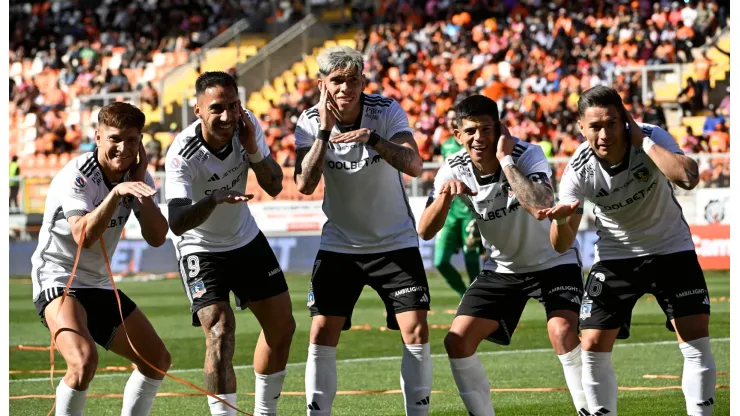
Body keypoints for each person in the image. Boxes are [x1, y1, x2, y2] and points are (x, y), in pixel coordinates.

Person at [541, 86, 714, 415]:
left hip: (671, 248)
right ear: (581, 127)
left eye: (611, 123)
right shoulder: (578, 169)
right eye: (594, 126)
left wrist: (644, 142)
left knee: (694, 340)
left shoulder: (651, 136)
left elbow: (688, 178)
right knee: (591, 345)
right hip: (614, 257)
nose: (603, 133)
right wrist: (563, 222)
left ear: (625, 121)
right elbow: (561, 244)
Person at [418, 95, 587, 416]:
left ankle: (591, 411)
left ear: (499, 129)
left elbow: (541, 205)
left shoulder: (527, 153)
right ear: (457, 135)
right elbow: (425, 231)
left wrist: (506, 161)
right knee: (457, 341)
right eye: (469, 131)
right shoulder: (453, 167)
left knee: (562, 332)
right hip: (502, 268)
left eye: (486, 129)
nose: (478, 138)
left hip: (553, 261)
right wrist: (444, 197)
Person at [293, 46, 431, 416]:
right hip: (340, 244)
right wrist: (323, 131)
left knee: (415, 331)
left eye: (352, 80)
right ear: (322, 84)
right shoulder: (308, 121)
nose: (345, 88)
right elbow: (305, 184)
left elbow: (414, 165)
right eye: (336, 81)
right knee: (321, 332)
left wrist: (372, 139)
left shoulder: (386, 112)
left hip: (394, 242)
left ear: (363, 82)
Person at [164, 71, 295, 416]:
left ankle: (266, 412)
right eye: (216, 108)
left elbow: (275, 185)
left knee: (283, 328)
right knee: (220, 332)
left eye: (233, 106)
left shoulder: (247, 127)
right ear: (197, 110)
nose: (227, 116)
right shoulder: (182, 152)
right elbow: (176, 223)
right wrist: (214, 199)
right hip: (200, 247)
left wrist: (252, 148)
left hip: (245, 238)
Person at [30, 102, 171, 416]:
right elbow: (83, 236)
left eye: (132, 140)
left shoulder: (135, 176)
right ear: (97, 137)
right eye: (115, 139)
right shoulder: (78, 176)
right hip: (59, 277)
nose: (123, 148)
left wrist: (142, 190)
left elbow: (158, 237)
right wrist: (117, 193)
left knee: (156, 361)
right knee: (82, 362)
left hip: (98, 283)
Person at [434, 109, 481, 297]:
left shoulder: (474, 146)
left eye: (456, 118)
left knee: (472, 261)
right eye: (450, 119)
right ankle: (464, 295)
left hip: (469, 211)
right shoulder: (445, 146)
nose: (452, 121)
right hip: (450, 213)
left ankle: (478, 299)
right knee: (440, 261)